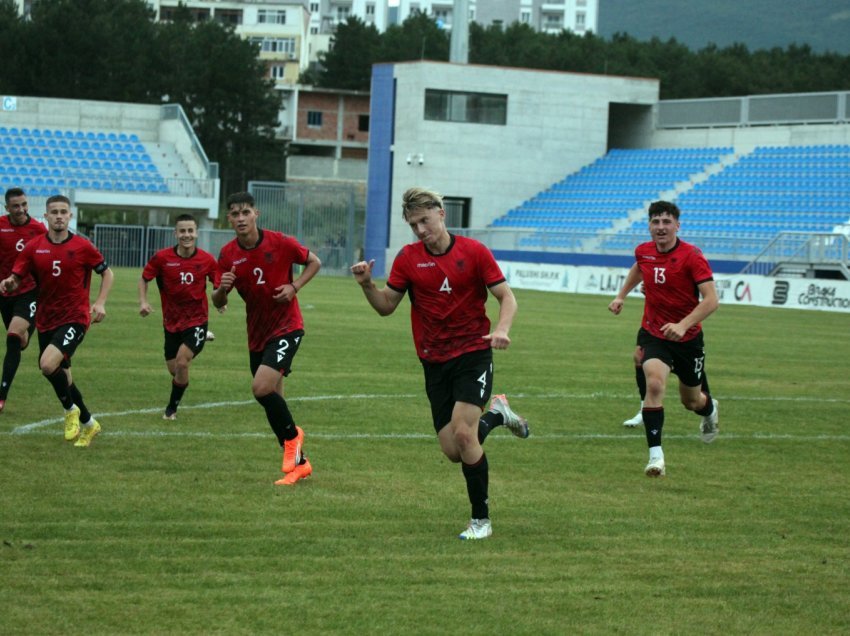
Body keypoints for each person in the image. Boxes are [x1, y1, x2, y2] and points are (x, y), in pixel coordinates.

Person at [350, 187, 530, 541]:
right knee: (453, 450)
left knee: (464, 434)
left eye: (424, 221)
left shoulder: (474, 252)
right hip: (433, 360)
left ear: (441, 213)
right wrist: (368, 285)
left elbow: (506, 296)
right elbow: (387, 306)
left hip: (473, 354)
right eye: (413, 224)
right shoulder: (407, 258)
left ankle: (481, 521)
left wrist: (502, 329)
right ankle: (497, 415)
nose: (420, 230)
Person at [212, 192, 321, 486]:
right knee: (276, 401)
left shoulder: (281, 243)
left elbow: (314, 262)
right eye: (234, 214)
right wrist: (222, 289)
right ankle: (300, 465)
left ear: (256, 214)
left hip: (287, 326)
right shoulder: (227, 254)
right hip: (257, 334)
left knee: (261, 388)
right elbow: (217, 300)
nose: (240, 218)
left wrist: (294, 286)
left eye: (245, 212)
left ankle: (293, 436)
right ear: (229, 219)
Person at [608, 200, 719, 477]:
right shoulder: (643, 251)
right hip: (654, 332)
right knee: (655, 384)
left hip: (687, 338)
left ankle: (710, 411)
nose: (660, 227)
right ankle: (656, 457)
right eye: (655, 222)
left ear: (677, 226)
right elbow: (639, 267)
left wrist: (683, 325)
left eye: (666, 222)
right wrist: (621, 295)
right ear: (649, 225)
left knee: (692, 402)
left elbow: (711, 300)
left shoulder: (692, 256)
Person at [0, 194, 113, 447]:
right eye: (54, 212)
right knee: (63, 376)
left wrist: (100, 302)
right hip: (47, 319)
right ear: (46, 216)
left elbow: (106, 273)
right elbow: (17, 277)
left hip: (75, 317)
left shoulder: (83, 246)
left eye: (64, 212)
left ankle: (70, 410)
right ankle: (89, 423)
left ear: (70, 216)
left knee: (47, 364)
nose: (59, 216)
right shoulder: (34, 247)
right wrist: (10, 283)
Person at [139, 214, 218, 420]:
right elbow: (145, 278)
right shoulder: (162, 258)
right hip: (171, 323)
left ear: (196, 233)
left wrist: (221, 300)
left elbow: (218, 283)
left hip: (197, 320)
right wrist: (143, 302)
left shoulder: (207, 260)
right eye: (182, 231)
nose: (186, 235)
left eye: (190, 231)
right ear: (175, 233)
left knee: (182, 363)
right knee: (175, 370)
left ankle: (170, 410)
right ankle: (202, 338)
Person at [0, 188, 46, 413]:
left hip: (29, 291)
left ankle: (1, 395)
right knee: (20, 341)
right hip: (5, 292)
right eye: (16, 206)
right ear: (7, 208)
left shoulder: (38, 229)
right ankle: (27, 330)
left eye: (24, 204)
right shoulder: (0, 226)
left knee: (13, 336)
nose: (21, 209)